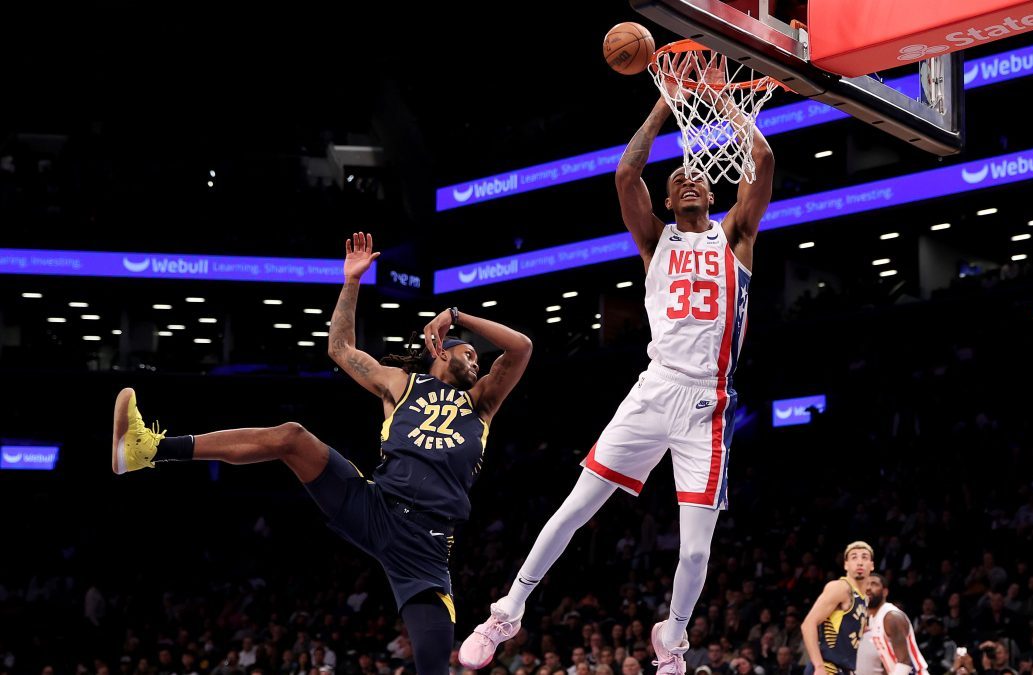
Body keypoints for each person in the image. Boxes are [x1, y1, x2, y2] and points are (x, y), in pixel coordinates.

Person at [460, 70, 775, 675]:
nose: (688, 179)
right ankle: (506, 611)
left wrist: (725, 103)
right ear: (666, 201)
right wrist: (665, 102)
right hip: (654, 389)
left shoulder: (736, 236)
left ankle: (672, 639)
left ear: (713, 195)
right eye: (676, 179)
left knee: (695, 552)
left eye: (698, 177)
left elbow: (761, 158)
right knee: (576, 507)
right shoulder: (655, 242)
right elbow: (626, 175)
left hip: (708, 405)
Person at [110, 232, 532, 675]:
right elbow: (340, 349)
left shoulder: (482, 403)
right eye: (470, 353)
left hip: (425, 542)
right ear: (441, 351)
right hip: (374, 505)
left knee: (432, 664)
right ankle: (149, 449)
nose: (477, 362)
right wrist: (351, 281)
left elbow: (520, 347)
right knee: (291, 436)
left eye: (479, 359)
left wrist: (457, 314)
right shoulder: (399, 384)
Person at [801, 542, 874, 675]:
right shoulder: (840, 587)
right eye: (854, 557)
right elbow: (808, 624)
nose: (859, 562)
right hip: (827, 667)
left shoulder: (864, 599)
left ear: (872, 565)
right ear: (846, 565)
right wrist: (819, 667)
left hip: (844, 669)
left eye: (864, 557)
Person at [857, 573, 929, 675]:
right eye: (866, 584)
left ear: (885, 592)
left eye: (874, 584)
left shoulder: (891, 617)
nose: (868, 588)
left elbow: (905, 662)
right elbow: (888, 660)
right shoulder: (873, 619)